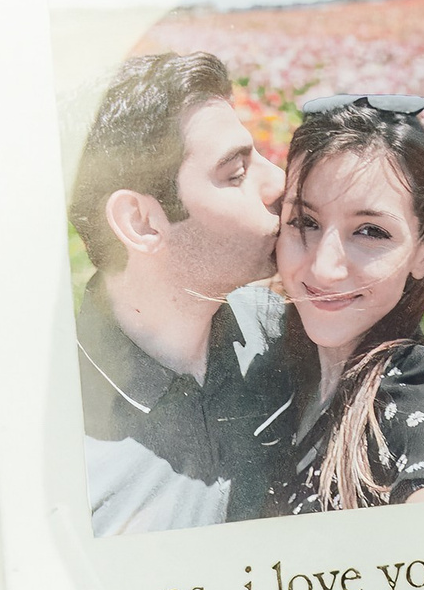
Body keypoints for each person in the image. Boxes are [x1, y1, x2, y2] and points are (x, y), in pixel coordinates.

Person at [69, 52, 289, 537]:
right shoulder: (57, 450)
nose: (278, 182)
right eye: (235, 173)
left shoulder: (295, 332)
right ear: (141, 222)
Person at [263, 93, 424, 515]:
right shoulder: (268, 363)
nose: (326, 269)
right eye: (305, 222)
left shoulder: (423, 393)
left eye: (370, 231)